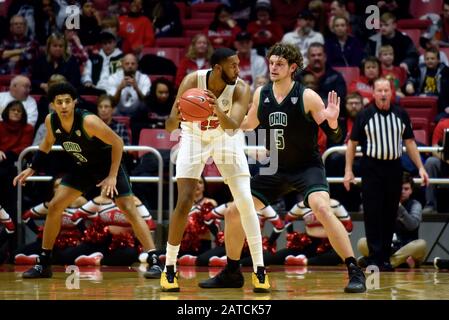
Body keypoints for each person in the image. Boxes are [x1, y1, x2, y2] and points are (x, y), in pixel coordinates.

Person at [208, 42, 367, 294]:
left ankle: (354, 271)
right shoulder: (262, 94)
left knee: (322, 208)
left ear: (293, 67)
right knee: (233, 213)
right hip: (276, 168)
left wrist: (334, 120)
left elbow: (335, 138)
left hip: (306, 167)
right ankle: (232, 271)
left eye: (280, 64)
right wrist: (221, 120)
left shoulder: (308, 96)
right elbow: (248, 124)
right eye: (271, 62)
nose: (273, 67)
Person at [13, 82, 162, 278]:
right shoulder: (51, 121)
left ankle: (154, 261)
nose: (64, 106)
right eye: (60, 102)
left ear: (74, 103)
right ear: (53, 105)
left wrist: (112, 176)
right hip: (82, 167)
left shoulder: (88, 121)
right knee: (56, 206)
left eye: (68, 101)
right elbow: (47, 142)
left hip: (108, 166)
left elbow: (117, 142)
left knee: (128, 208)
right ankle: (44, 262)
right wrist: (32, 167)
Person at [162, 47, 268, 292]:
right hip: (193, 136)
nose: (238, 69)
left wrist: (216, 109)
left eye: (238, 64)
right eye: (233, 65)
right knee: (185, 199)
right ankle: (169, 268)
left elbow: (233, 128)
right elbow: (169, 126)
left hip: (226, 137)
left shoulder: (241, 87)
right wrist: (177, 116)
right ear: (218, 68)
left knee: (244, 201)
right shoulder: (192, 81)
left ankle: (259, 271)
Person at [344, 78, 429, 271]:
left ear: (391, 93)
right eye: (379, 90)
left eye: (386, 90)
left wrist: (421, 168)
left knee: (390, 212)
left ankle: (384, 258)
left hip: (393, 167)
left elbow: (410, 143)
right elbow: (352, 144)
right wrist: (348, 170)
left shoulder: (401, 114)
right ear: (373, 93)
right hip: (371, 168)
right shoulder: (364, 115)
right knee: (373, 213)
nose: (383, 94)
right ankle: (374, 257)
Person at [357, 172, 427, 269]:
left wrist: (398, 206)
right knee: (362, 242)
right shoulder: (383, 203)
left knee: (421, 244)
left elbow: (412, 225)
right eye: (399, 188)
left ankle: (380, 262)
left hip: (406, 248)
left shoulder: (415, 204)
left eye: (406, 189)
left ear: (411, 190)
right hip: (387, 247)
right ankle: (398, 262)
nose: (402, 191)